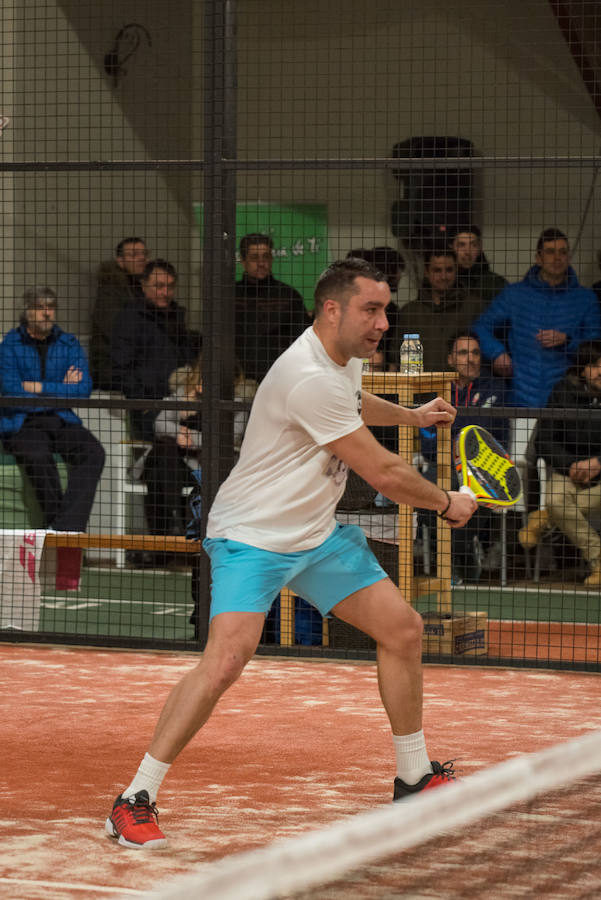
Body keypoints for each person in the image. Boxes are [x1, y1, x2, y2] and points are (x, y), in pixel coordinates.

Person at [104, 257, 476, 849]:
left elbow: (353, 401)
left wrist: (409, 414)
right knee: (227, 660)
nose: (383, 322)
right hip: (252, 537)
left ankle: (413, 775)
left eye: (385, 309)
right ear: (333, 309)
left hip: (315, 536)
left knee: (403, 629)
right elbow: (381, 472)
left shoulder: (341, 359)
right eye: (371, 310)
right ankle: (134, 797)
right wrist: (445, 503)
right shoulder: (309, 375)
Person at [0, 287, 105, 532]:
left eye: (50, 307)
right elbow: (12, 390)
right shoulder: (9, 345)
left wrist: (36, 387)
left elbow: (83, 389)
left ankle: (66, 528)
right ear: (26, 312)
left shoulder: (68, 343)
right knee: (37, 455)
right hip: (22, 420)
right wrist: (60, 389)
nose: (47, 313)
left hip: (61, 419)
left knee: (94, 452)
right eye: (39, 307)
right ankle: (56, 527)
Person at [473, 228, 601, 408]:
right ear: (538, 258)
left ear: (569, 258)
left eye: (562, 252)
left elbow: (595, 346)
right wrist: (497, 354)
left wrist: (567, 340)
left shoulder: (586, 299)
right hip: (521, 398)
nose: (557, 258)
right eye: (550, 252)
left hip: (569, 401)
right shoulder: (515, 294)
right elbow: (480, 327)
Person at [418, 332, 508, 583]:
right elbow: (427, 441)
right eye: (463, 353)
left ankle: (457, 566)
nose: (470, 359)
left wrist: (455, 430)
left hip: (482, 469)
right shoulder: (435, 390)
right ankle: (460, 561)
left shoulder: (496, 389)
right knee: (425, 497)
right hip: (442, 463)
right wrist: (462, 437)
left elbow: (490, 437)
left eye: (475, 353)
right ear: (450, 359)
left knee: (460, 494)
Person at [519, 341, 601, 586]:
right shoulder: (562, 391)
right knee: (556, 499)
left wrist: (598, 463)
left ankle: (544, 518)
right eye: (594, 365)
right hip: (569, 471)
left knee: (555, 507)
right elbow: (544, 440)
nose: (600, 371)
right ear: (582, 369)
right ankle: (599, 560)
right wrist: (572, 466)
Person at [109, 259, 201, 441]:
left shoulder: (176, 317)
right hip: (148, 405)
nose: (165, 293)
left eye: (170, 286)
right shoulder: (130, 319)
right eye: (159, 286)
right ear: (143, 285)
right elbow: (119, 367)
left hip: (181, 401)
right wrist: (144, 402)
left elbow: (188, 358)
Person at [387, 249, 486, 372]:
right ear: (426, 272)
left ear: (456, 271)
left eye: (449, 270)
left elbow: (485, 355)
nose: (444, 276)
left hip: (463, 389)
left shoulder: (474, 307)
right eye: (437, 270)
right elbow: (394, 360)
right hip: (418, 388)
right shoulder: (409, 312)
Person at [235, 233, 312, 382]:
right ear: (243, 261)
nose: (261, 263)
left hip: (281, 376)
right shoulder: (230, 296)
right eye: (254, 258)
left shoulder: (288, 296)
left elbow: (303, 337)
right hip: (239, 378)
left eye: (266, 257)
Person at [89, 237, 149, 391]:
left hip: (135, 362)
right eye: (134, 255)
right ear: (120, 261)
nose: (142, 258)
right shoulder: (110, 290)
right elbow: (117, 331)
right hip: (111, 365)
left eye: (144, 254)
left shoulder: (142, 288)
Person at [450, 226, 507, 307]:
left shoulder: (495, 283)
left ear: (479, 249)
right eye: (461, 245)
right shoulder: (444, 280)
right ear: (451, 247)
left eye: (473, 245)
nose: (468, 251)